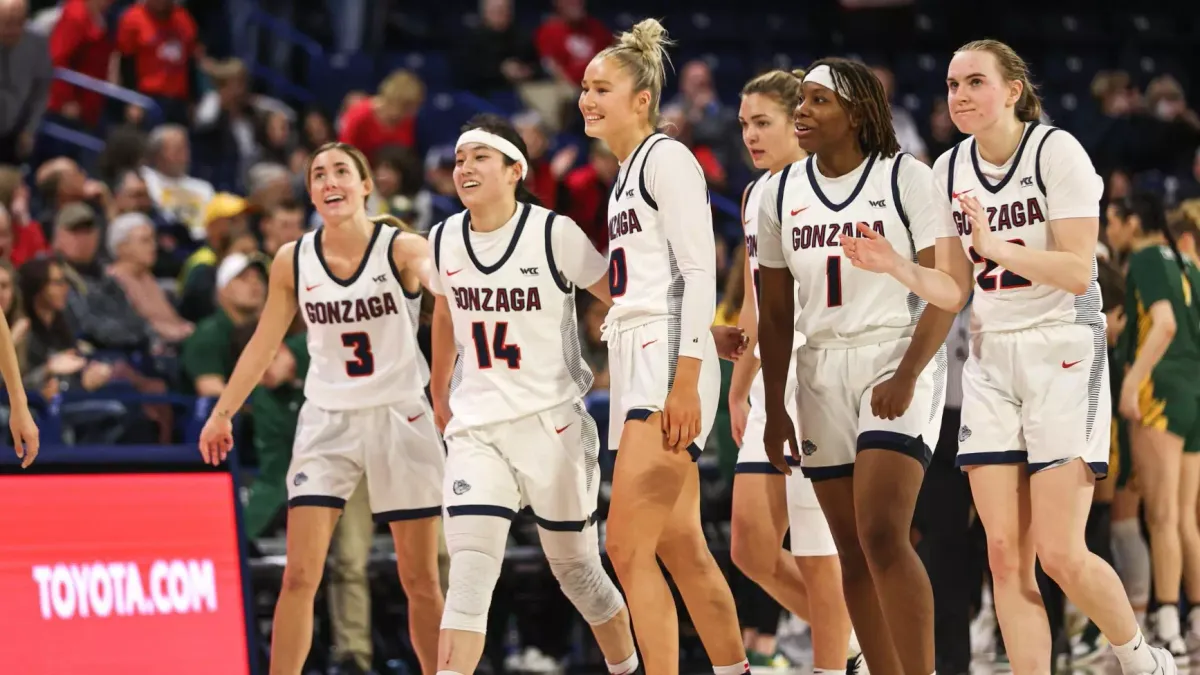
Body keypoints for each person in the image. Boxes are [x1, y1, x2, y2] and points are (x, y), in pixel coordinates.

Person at [934, 39, 1175, 675]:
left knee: (1059, 552)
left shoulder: (1056, 150)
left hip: (1062, 347)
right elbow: (956, 287)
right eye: (953, 85)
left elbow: (1076, 269)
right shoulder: (947, 168)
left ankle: (1141, 658)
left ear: (1012, 90)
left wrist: (995, 245)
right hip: (990, 355)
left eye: (975, 83)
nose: (959, 96)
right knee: (1005, 554)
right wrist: (895, 265)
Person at [197, 141, 445, 675]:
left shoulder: (400, 247)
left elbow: (440, 278)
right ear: (311, 192)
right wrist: (222, 413)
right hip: (327, 421)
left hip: (399, 416)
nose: (329, 181)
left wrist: (442, 274)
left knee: (420, 578)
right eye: (318, 175)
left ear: (365, 186)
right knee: (299, 576)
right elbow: (265, 341)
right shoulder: (294, 258)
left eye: (340, 172)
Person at [757, 58, 969, 675]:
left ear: (857, 113)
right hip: (817, 368)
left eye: (818, 101)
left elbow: (948, 287)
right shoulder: (776, 192)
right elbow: (774, 315)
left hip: (895, 355)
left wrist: (907, 373)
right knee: (850, 549)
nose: (801, 110)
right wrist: (775, 409)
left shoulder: (907, 178)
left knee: (881, 532)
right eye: (801, 99)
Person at [425, 113, 638, 675]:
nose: (464, 167)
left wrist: (694, 331)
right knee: (468, 578)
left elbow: (617, 297)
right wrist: (437, 383)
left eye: (479, 158)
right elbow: (444, 308)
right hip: (477, 429)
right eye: (459, 159)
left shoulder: (554, 233)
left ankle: (627, 668)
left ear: (515, 169)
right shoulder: (443, 236)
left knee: (578, 573)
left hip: (553, 426)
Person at [579, 18, 748, 675]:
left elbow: (700, 270)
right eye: (584, 88)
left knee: (623, 545)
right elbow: (658, 279)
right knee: (681, 544)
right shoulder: (623, 177)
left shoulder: (666, 157)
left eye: (602, 87)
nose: (587, 98)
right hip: (639, 360)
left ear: (641, 98)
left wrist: (687, 377)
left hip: (665, 365)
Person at [727, 68, 855, 673]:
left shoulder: (826, 182)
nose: (750, 136)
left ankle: (837, 662)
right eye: (744, 124)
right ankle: (859, 646)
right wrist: (739, 385)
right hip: (771, 379)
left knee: (817, 553)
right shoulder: (755, 195)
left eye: (763, 123)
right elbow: (757, 299)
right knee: (751, 547)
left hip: (821, 372)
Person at [1107, 193, 1200, 656]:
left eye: (1112, 221)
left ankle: (1166, 624)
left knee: (1160, 516)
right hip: (1192, 389)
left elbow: (1162, 325)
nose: (1109, 231)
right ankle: (1195, 620)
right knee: (1185, 518)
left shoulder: (1144, 257)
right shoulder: (1186, 262)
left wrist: (1131, 384)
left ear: (1132, 223)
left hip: (1159, 392)